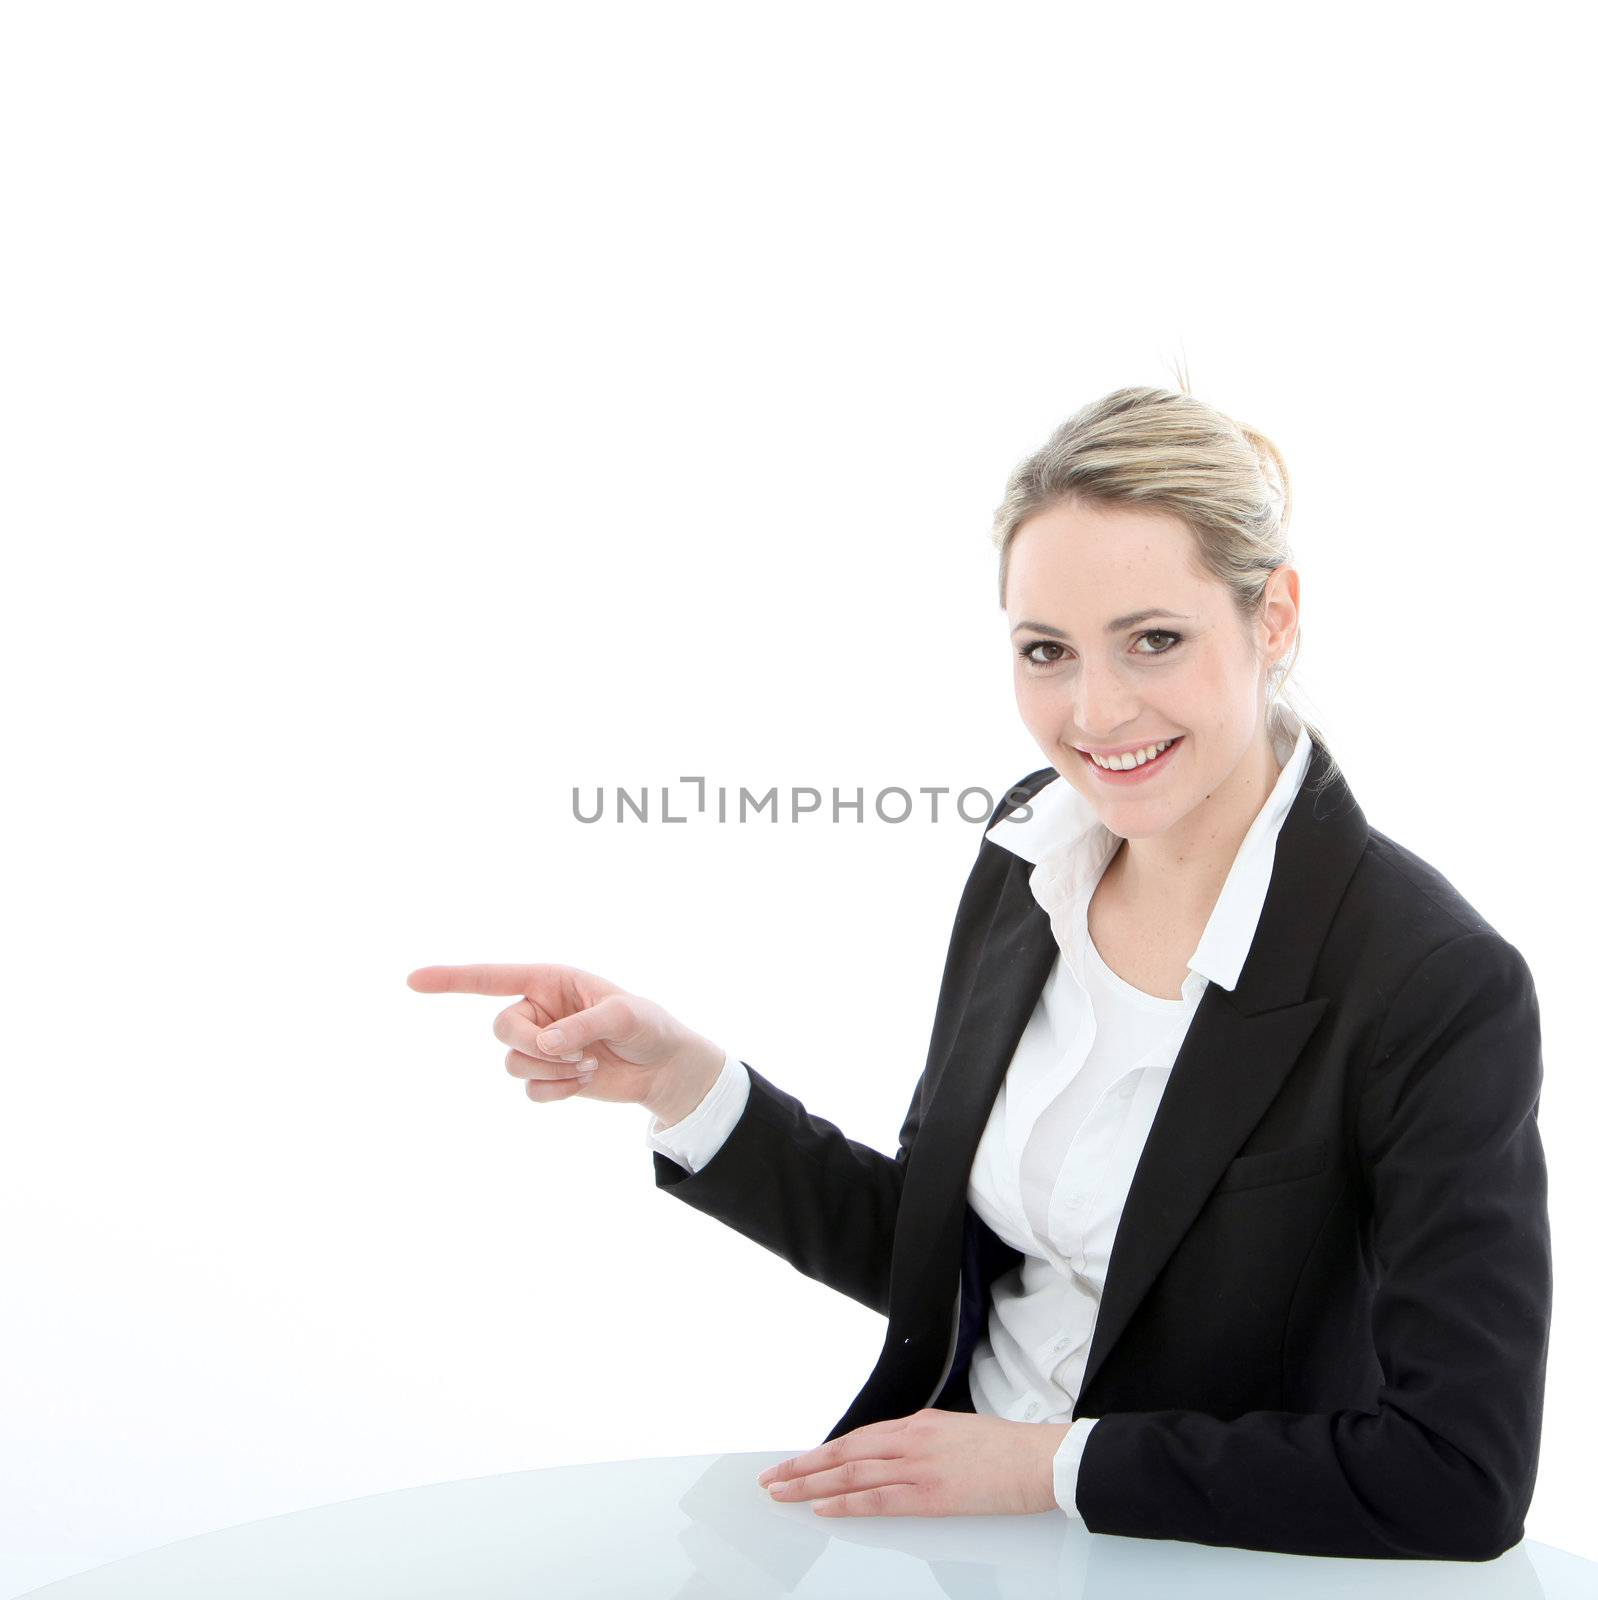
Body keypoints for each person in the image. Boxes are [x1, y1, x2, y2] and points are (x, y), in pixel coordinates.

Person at [408, 385, 1551, 1561]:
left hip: (1198, 1568)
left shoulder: (1430, 983)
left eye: (1153, 638)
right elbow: (940, 1249)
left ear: (1272, 620)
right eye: (1043, 651)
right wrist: (686, 1085)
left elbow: (1455, 1474)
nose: (1093, 711)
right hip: (954, 1547)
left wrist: (1046, 1464)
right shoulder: (1030, 851)